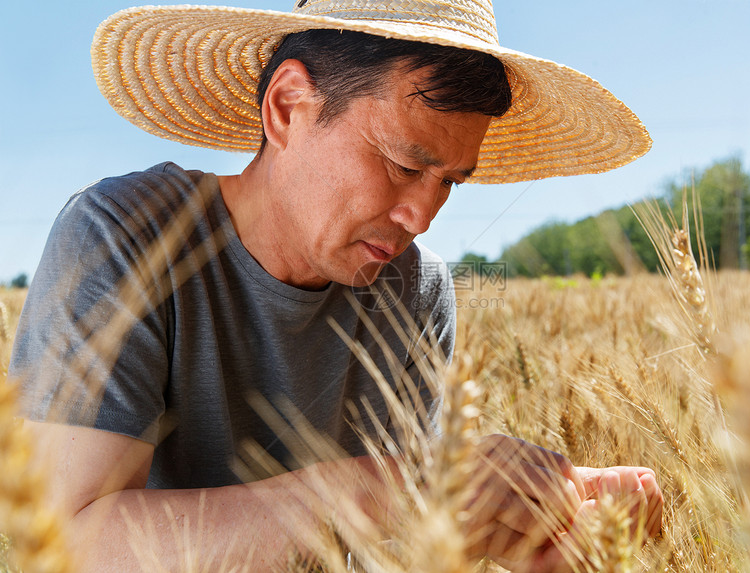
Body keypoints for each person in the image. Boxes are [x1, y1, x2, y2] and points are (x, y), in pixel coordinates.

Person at [9, 0, 663, 571]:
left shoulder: (419, 289)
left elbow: (394, 543)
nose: (422, 215)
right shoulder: (124, 236)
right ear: (288, 107)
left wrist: (530, 531)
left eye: (450, 182)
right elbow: (70, 545)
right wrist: (393, 490)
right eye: (406, 164)